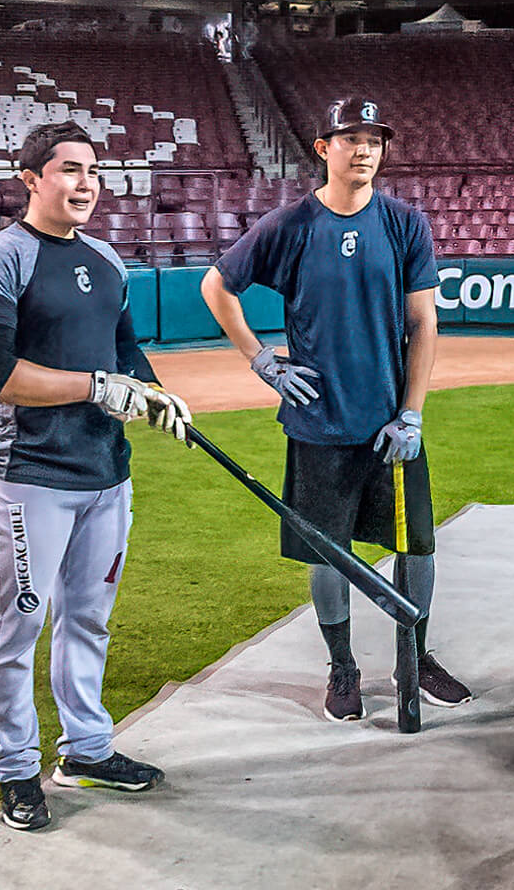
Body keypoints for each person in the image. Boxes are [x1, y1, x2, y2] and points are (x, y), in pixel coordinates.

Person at [199, 97, 472, 724]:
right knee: (327, 551)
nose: (365, 150)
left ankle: (414, 657)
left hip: (389, 426)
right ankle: (342, 666)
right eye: (351, 139)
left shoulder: (404, 223)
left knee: (418, 548)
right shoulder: (290, 224)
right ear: (324, 148)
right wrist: (260, 359)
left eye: (374, 140)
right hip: (319, 423)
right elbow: (217, 285)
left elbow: (424, 323)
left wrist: (412, 414)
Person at [0, 121, 193, 831]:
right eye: (68, 169)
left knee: (88, 618)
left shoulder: (105, 258)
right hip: (30, 473)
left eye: (92, 170)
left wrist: (153, 394)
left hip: (105, 472)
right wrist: (96, 387)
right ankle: (16, 769)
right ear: (30, 179)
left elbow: (124, 349)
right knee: (18, 625)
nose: (85, 183)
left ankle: (86, 751)